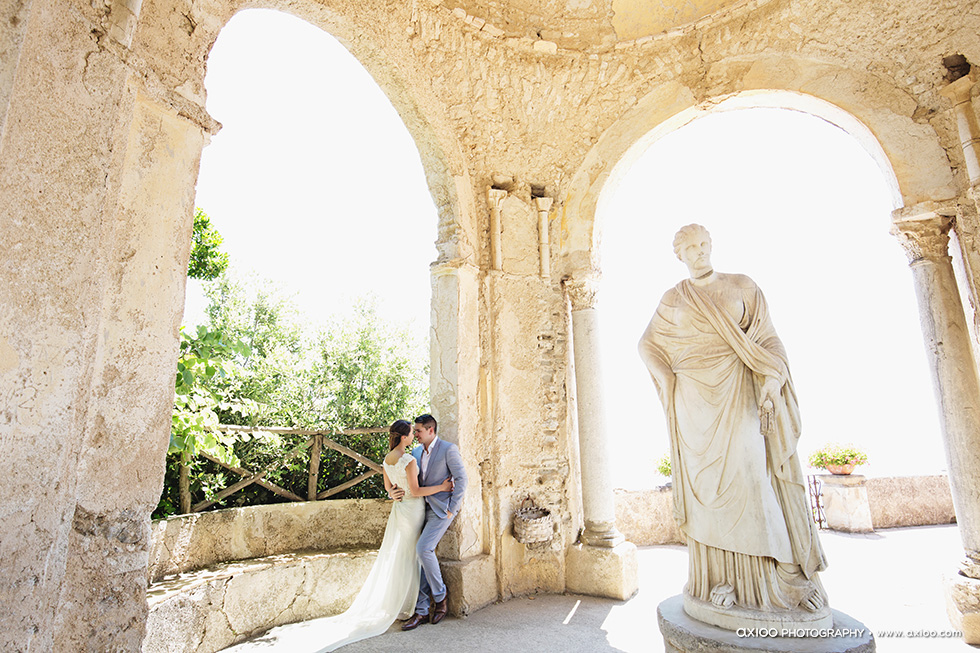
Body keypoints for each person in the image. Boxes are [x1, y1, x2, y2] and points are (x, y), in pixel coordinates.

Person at [638, 224, 829, 629]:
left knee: (753, 477)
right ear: (680, 256)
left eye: (704, 244)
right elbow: (648, 344)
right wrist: (669, 382)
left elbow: (770, 341)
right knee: (707, 491)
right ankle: (719, 582)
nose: (699, 252)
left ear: (712, 245)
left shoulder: (743, 286)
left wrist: (773, 384)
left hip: (740, 389)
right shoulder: (673, 298)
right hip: (693, 401)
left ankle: (784, 579)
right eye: (690, 248)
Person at [314, 420, 453, 651]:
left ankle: (416, 606)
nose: (413, 436)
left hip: (400, 509)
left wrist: (392, 492)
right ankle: (420, 606)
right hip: (414, 509)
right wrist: (442, 487)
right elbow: (416, 490)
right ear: (403, 437)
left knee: (410, 554)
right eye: (411, 433)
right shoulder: (409, 460)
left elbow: (388, 487)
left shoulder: (387, 459)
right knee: (415, 555)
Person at [399, 414, 468, 630]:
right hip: (419, 508)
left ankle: (440, 596)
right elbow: (412, 481)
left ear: (431, 430)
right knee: (420, 557)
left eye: (418, 431)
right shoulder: (416, 452)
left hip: (441, 510)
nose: (415, 435)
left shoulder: (448, 449)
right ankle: (420, 611)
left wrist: (451, 509)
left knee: (424, 549)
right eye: (415, 431)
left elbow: (462, 479)